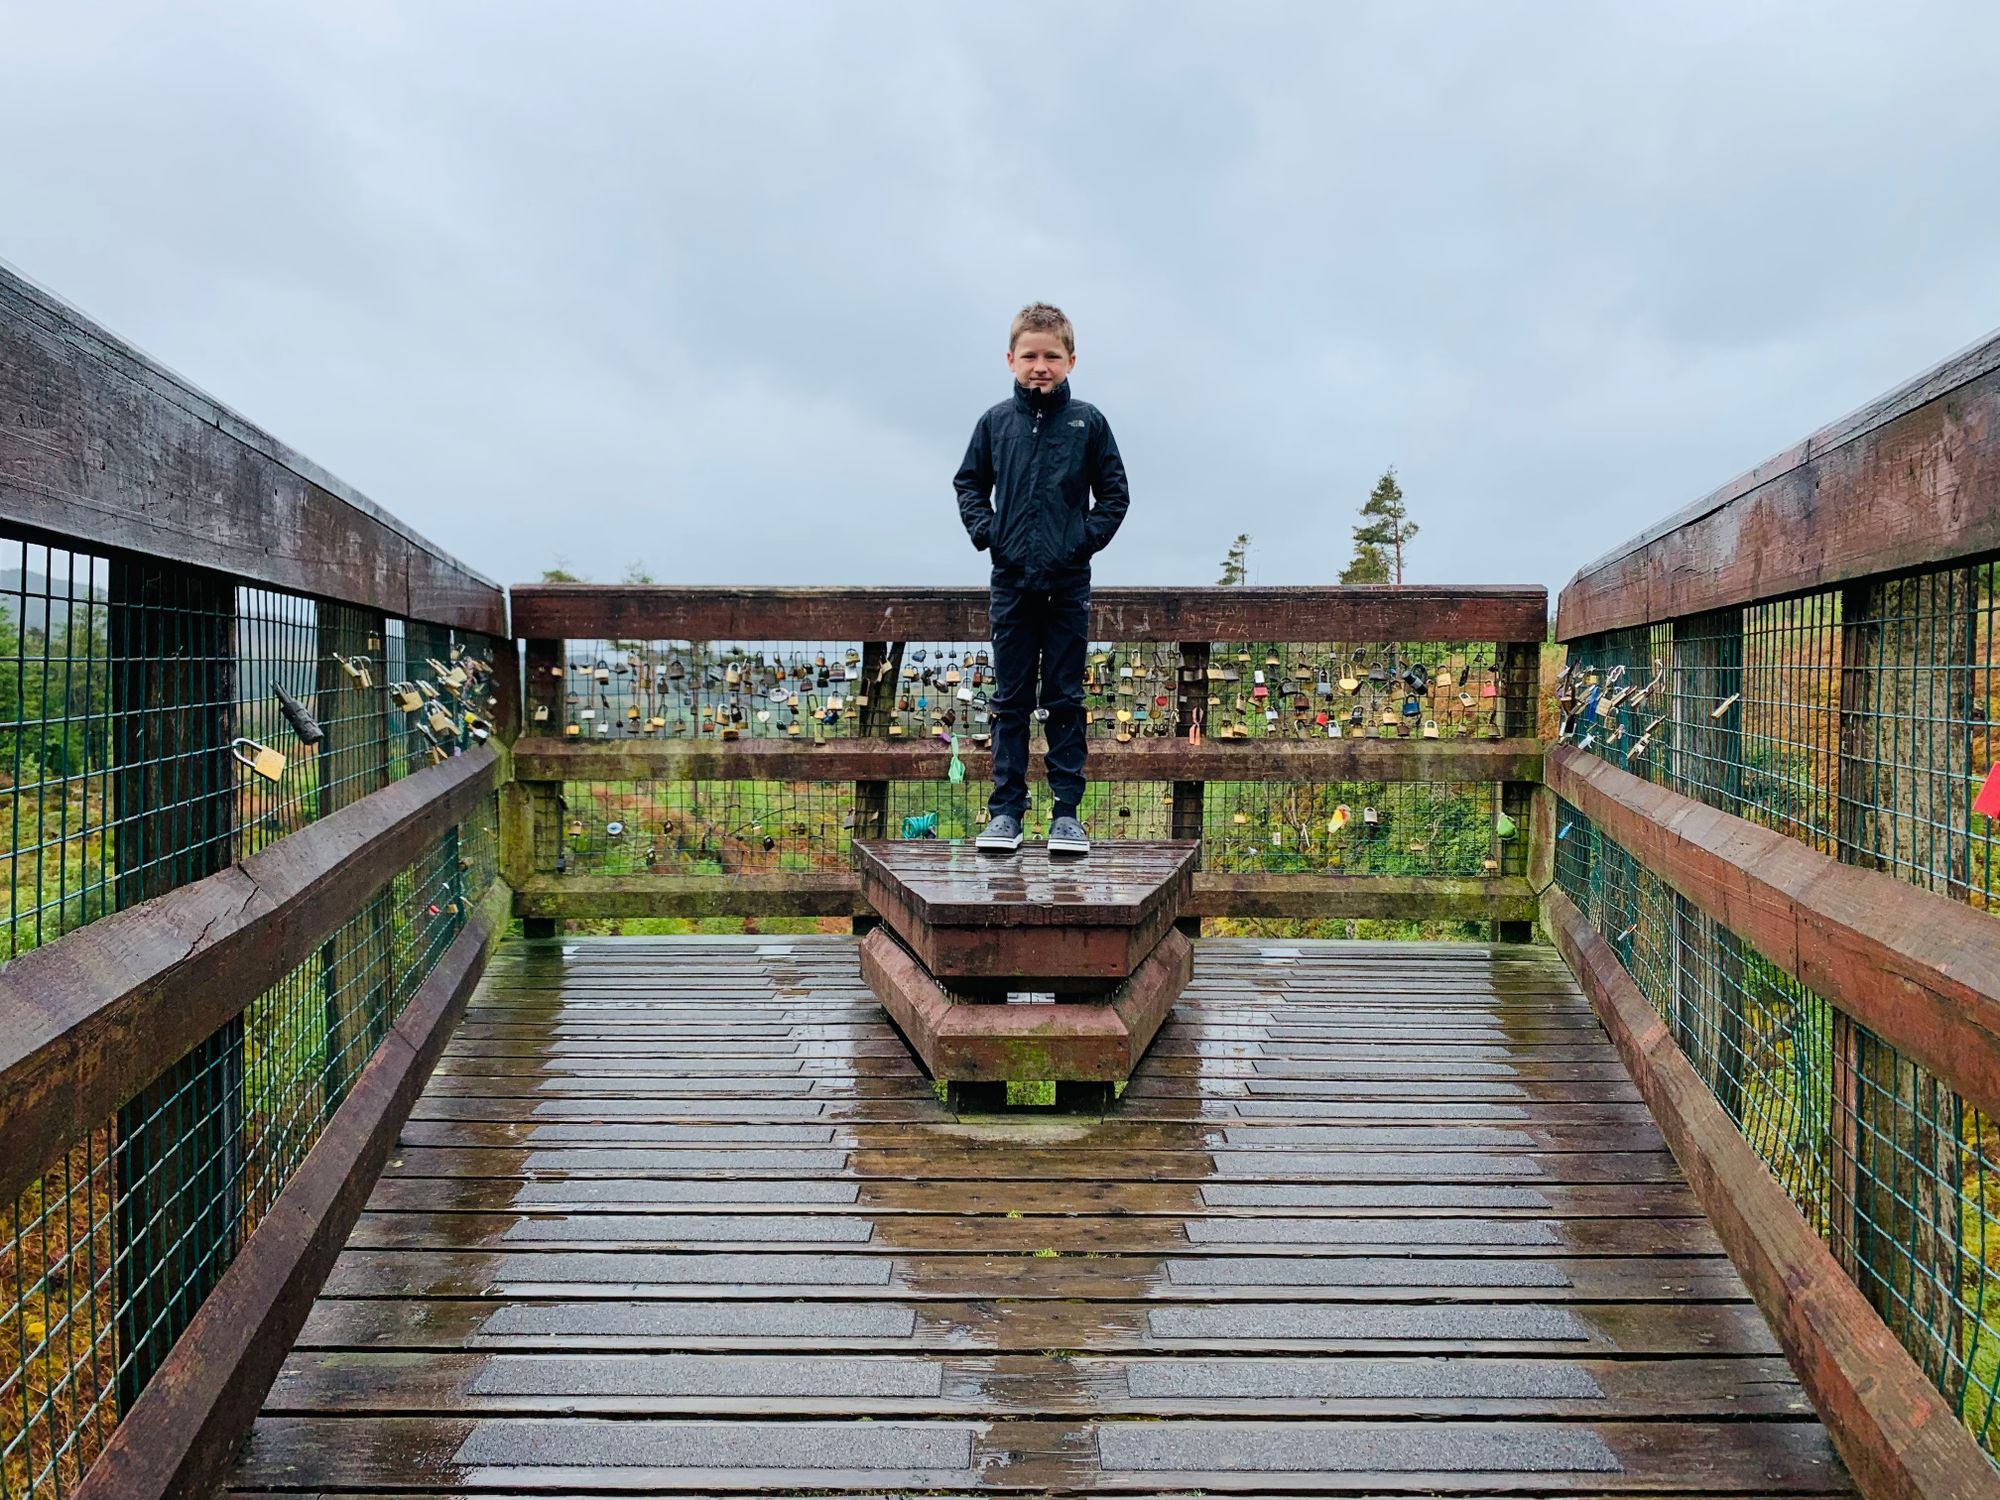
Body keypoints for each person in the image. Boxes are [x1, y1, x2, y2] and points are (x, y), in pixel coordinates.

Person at [953, 301, 1130, 856]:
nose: (1040, 365)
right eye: (1029, 354)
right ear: (1010, 358)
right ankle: (1005, 812)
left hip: (1068, 585)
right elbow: (968, 484)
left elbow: (1115, 496)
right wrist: (990, 535)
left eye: (1052, 355)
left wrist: (1080, 541)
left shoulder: (1088, 423)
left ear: (1071, 360)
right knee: (1009, 700)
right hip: (1010, 584)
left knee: (1065, 697)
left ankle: (1066, 815)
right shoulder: (994, 423)